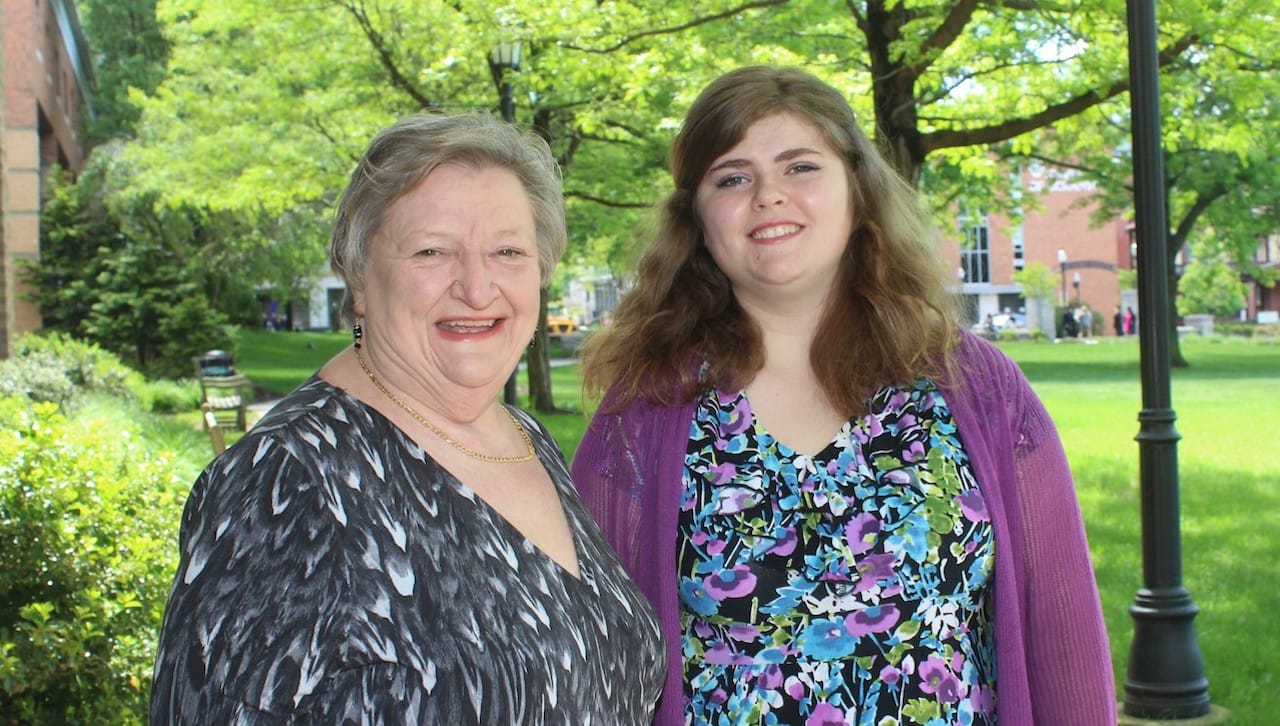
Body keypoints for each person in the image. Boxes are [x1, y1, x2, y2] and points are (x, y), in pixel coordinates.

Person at [571, 66, 1115, 725]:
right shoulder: (646, 408)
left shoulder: (978, 389)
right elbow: (592, 659)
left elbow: (1064, 633)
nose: (769, 195)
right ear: (697, 220)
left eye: (800, 167)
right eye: (732, 177)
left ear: (858, 191)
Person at [151, 112, 664, 723]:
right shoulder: (286, 482)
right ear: (359, 276)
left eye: (507, 251)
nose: (477, 288)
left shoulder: (526, 440)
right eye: (431, 251)